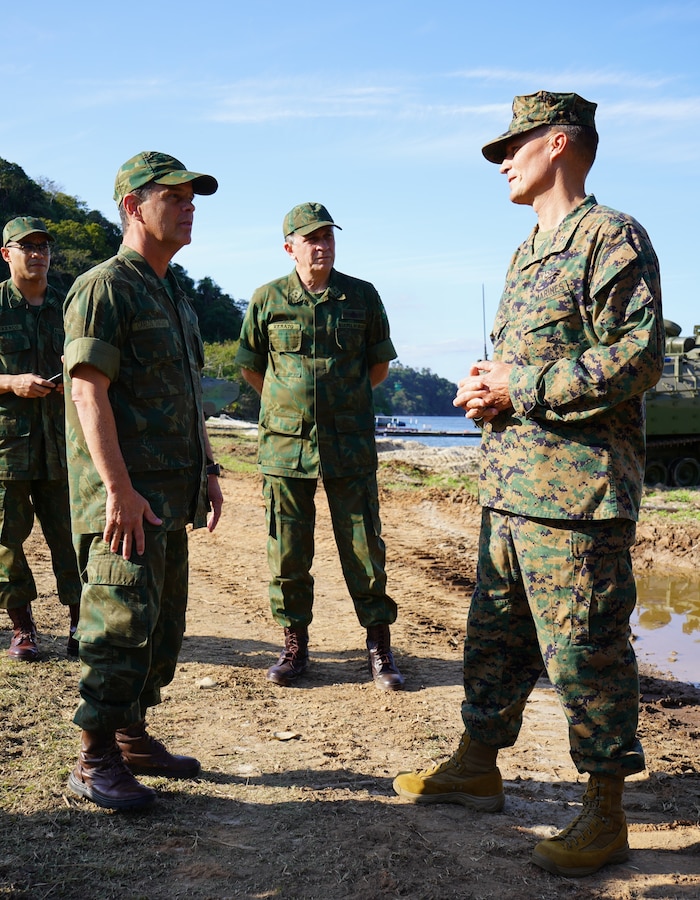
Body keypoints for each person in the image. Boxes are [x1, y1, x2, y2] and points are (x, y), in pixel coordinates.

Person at [393, 91, 664, 877]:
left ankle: (606, 810)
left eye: (512, 146)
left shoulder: (609, 236)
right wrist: (487, 389)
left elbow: (636, 358)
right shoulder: (525, 251)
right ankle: (477, 765)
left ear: (559, 143)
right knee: (495, 639)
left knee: (586, 653)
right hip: (510, 489)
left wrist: (522, 387)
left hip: (578, 499)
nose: (502, 160)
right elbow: (525, 367)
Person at [63, 151, 224, 811]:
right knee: (119, 624)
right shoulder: (106, 286)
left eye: (194, 197)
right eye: (175, 195)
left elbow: (187, 395)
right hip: (124, 500)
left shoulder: (172, 291)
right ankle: (94, 757)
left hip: (166, 496)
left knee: (160, 627)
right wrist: (119, 491)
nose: (189, 207)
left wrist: (209, 469)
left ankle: (131, 736)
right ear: (133, 205)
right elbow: (86, 393)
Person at [236, 202, 404, 691]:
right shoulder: (267, 299)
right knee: (287, 551)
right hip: (285, 448)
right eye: (311, 238)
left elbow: (378, 368)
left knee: (364, 548)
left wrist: (341, 406)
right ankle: (294, 647)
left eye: (328, 236)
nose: (322, 245)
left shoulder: (363, 297)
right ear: (289, 246)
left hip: (348, 445)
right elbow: (252, 367)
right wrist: (286, 406)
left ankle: (379, 648)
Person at [0, 216, 81, 661]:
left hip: (64, 442)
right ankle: (23, 627)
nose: (37, 254)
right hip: (8, 446)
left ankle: (79, 623)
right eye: (26, 246)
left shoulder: (70, 305)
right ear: (6, 253)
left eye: (43, 247)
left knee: (71, 536)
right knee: (6, 538)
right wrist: (12, 382)